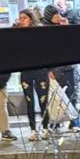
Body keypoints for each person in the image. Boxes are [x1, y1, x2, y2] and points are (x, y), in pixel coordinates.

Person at [42, 4, 80, 132]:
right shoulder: (44, 30)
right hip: (54, 69)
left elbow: (72, 44)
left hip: (68, 67)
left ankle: (75, 122)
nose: (59, 17)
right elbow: (44, 52)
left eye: (59, 14)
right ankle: (55, 123)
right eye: (55, 15)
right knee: (55, 98)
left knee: (71, 95)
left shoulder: (64, 26)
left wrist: (66, 28)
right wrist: (48, 70)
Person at [16, 9, 52, 141]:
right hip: (26, 71)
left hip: (40, 71)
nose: (21, 20)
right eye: (20, 18)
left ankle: (45, 127)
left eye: (24, 18)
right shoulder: (17, 34)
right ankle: (32, 129)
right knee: (29, 101)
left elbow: (47, 51)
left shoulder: (38, 33)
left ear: (31, 19)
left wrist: (49, 70)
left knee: (43, 100)